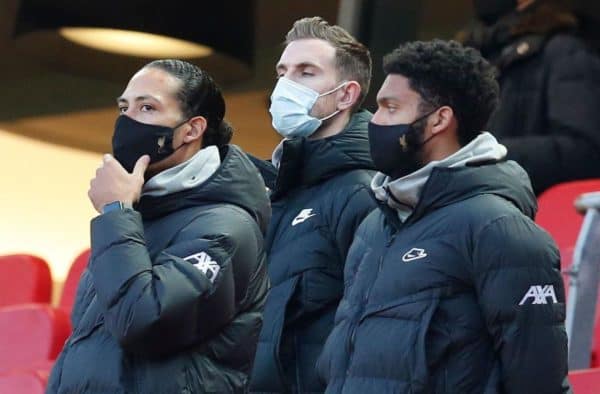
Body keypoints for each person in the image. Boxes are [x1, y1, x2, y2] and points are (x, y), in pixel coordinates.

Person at [317, 40, 570, 393]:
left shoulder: (498, 228)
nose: (374, 122)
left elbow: (538, 380)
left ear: (439, 119)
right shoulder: (375, 225)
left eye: (391, 108)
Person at [47, 59, 270, 393]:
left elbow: (143, 321)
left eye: (147, 107)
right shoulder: (140, 218)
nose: (127, 121)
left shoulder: (225, 225)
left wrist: (116, 210)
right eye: (124, 107)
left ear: (191, 130)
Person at [249, 17, 377, 394]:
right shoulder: (276, 190)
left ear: (346, 95)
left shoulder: (363, 192)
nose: (286, 85)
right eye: (282, 72)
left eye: (306, 72)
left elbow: (367, 327)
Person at [459, 0, 600, 194]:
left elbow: (584, 152)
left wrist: (486, 154)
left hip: (525, 212)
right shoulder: (474, 55)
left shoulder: (563, 50)